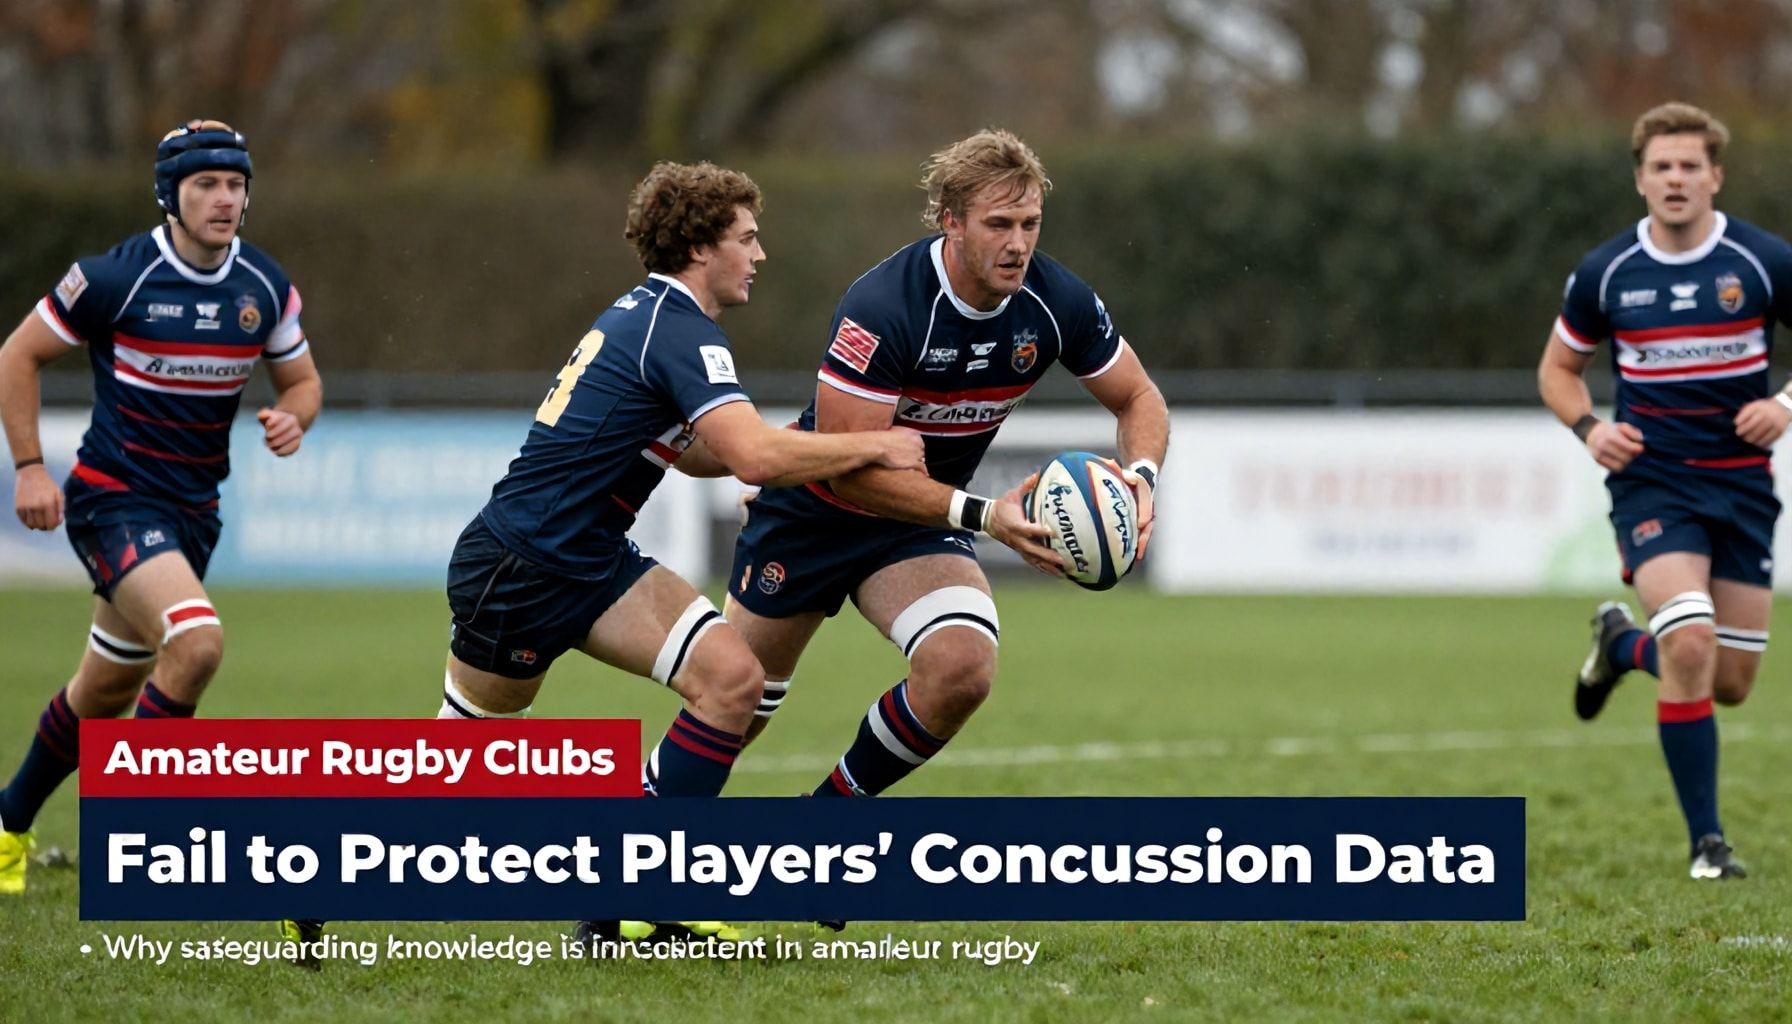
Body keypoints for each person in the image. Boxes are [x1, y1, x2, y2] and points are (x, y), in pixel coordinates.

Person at [723, 128, 1170, 799]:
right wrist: (986, 516)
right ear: (951, 222)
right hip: (813, 510)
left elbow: (1138, 397)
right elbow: (850, 471)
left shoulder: (1056, 301)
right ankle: (620, 848)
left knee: (963, 667)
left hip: (918, 522)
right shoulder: (885, 307)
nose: (1017, 244)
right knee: (732, 706)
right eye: (998, 224)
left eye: (1030, 224)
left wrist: (1141, 478)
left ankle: (825, 823)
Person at [0, 119, 323, 895]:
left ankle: (7, 825)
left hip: (192, 514)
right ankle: (138, 837)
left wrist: (294, 418)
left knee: (103, 691)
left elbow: (304, 382)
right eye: (206, 184)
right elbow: (17, 354)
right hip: (113, 500)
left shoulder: (264, 286)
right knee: (197, 644)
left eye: (236, 185)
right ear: (170, 195)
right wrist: (31, 469)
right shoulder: (114, 277)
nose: (224, 199)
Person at [1541, 102, 1792, 880]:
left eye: (1689, 165)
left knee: (1730, 683)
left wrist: (1784, 405)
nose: (1675, 178)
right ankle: (1707, 845)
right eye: (1661, 167)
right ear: (1640, 181)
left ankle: (1620, 645)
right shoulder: (1607, 272)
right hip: (1653, 485)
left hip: (1742, 489)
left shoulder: (1763, 262)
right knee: (1689, 642)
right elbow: (1558, 371)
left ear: (1716, 176)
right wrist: (1591, 429)